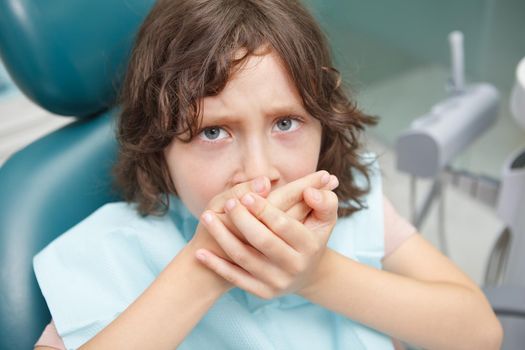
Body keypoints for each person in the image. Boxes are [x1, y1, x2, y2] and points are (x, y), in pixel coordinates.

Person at [33, 0, 503, 349]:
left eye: (285, 123)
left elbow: (481, 333)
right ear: (158, 144)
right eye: (214, 132)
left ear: (324, 122)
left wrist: (317, 277)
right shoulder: (106, 254)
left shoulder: (354, 209)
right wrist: (204, 270)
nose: (260, 173)